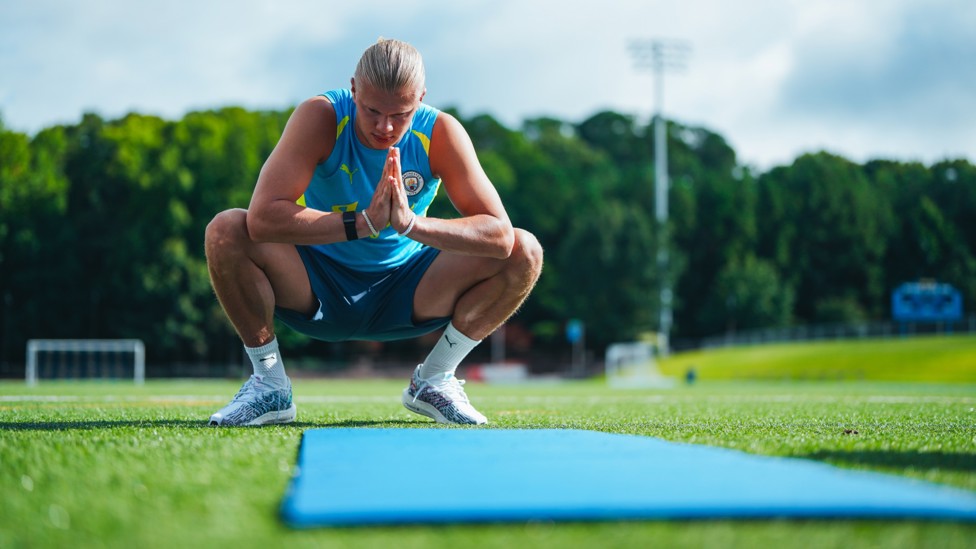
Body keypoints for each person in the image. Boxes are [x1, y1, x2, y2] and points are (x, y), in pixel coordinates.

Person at [204, 38, 543, 426]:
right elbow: (262, 218)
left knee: (525, 250)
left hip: (408, 286)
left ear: (421, 99)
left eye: (401, 113)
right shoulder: (322, 116)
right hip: (316, 282)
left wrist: (411, 224)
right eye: (371, 111)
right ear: (353, 89)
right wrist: (363, 223)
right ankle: (269, 386)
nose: (385, 127)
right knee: (226, 229)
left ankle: (434, 380)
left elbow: (499, 235)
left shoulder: (441, 131)